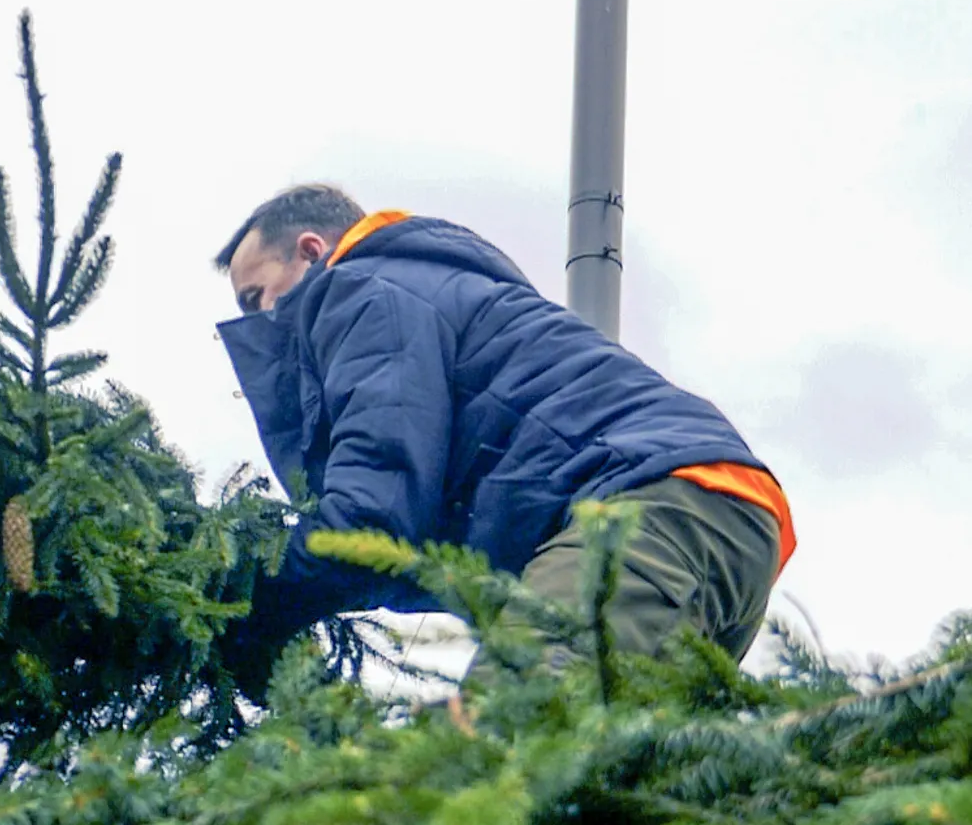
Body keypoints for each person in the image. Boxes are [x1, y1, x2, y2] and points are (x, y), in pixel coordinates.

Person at [214, 183, 795, 687]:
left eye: (254, 297)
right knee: (602, 797)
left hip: (645, 509)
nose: (255, 320)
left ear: (312, 251)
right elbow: (414, 549)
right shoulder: (429, 286)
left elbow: (372, 522)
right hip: (720, 518)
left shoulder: (362, 289)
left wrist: (235, 597)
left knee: (499, 744)